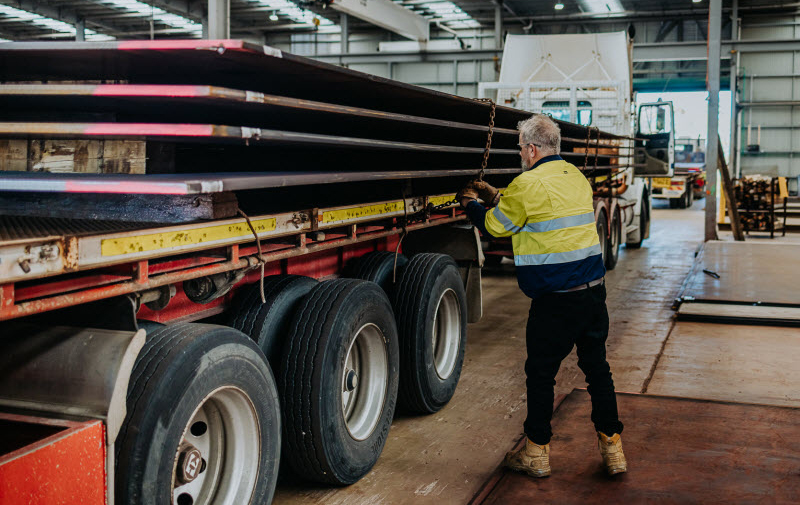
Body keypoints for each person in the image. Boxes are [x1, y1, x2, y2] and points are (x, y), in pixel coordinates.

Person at [457, 114, 626, 478]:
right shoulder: (576, 177)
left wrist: (470, 201)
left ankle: (536, 453)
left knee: (541, 374)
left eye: (521, 148)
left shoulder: (527, 182)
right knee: (598, 370)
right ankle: (613, 450)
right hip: (594, 295)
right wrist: (497, 196)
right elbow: (540, 210)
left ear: (531, 149)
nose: (521, 154)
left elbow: (495, 225)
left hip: (555, 302)